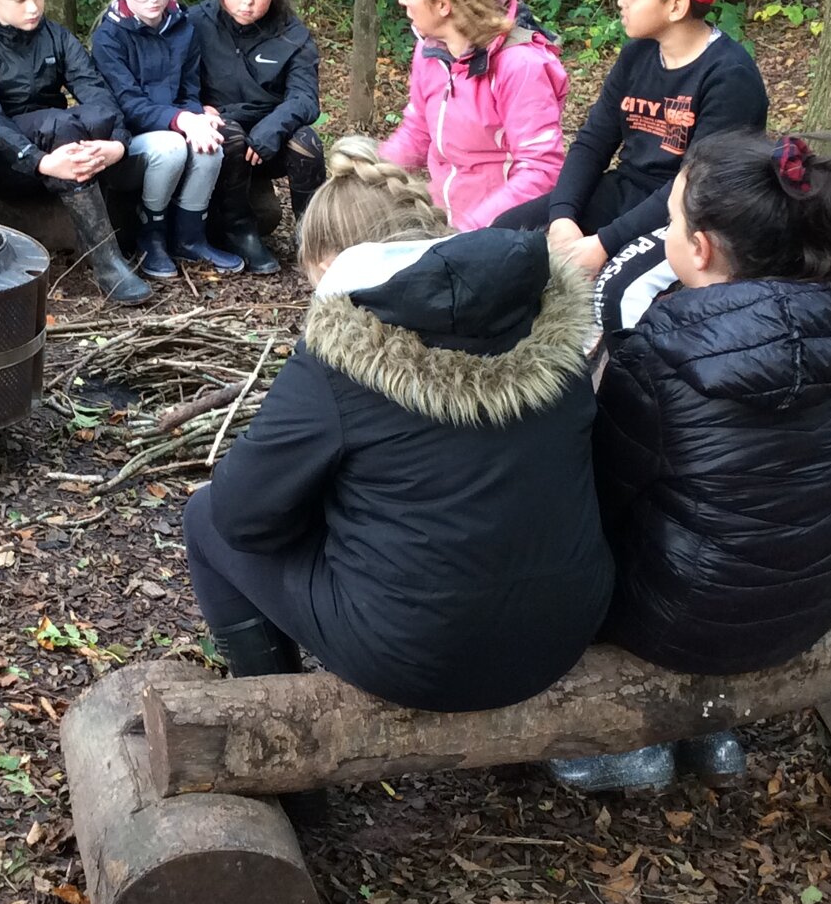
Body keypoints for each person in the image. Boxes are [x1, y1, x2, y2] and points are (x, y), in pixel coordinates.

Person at [184, 137, 614, 714]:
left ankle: (270, 721)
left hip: (421, 656)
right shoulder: (542, 318)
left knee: (204, 518)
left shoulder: (341, 353)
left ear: (329, 264)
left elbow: (241, 515)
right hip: (570, 625)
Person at [561, 132, 831, 792]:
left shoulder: (661, 350)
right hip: (811, 600)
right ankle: (712, 730)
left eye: (671, 218)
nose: (667, 229)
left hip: (683, 618)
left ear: (697, 249)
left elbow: (601, 492)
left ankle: (631, 746)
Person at [494, 0, 769, 334]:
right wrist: (563, 216)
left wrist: (603, 244)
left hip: (691, 215)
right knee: (502, 237)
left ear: (675, 7)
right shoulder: (638, 54)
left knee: (614, 292)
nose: (621, 1)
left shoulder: (730, 77)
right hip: (625, 190)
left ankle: (616, 386)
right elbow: (593, 142)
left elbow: (697, 185)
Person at [0, 0, 150, 306]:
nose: (33, 8)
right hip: (0, 158)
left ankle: (123, 241)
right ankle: (106, 261)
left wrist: (117, 145)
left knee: (89, 120)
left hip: (62, 144)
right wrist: (39, 161)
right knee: (61, 125)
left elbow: (99, 96)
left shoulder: (57, 37)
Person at [379, 0, 568, 231]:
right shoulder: (429, 52)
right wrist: (370, 173)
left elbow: (541, 171)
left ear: (443, 4)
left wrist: (468, 230)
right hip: (445, 222)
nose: (402, 0)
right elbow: (417, 132)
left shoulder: (520, 65)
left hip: (502, 235)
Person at [89, 0, 243, 277]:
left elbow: (190, 89)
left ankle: (190, 237)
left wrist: (194, 117)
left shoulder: (183, 27)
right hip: (128, 142)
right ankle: (151, 235)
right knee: (173, 146)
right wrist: (182, 121)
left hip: (173, 124)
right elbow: (127, 105)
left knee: (211, 145)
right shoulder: (108, 38)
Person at [188, 0, 326, 275]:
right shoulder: (194, 23)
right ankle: (240, 230)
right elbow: (176, 85)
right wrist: (196, 109)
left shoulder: (291, 33)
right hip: (219, 141)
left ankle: (311, 237)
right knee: (228, 131)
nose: (247, 2)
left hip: (269, 140)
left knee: (307, 142)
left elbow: (305, 97)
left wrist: (272, 126)